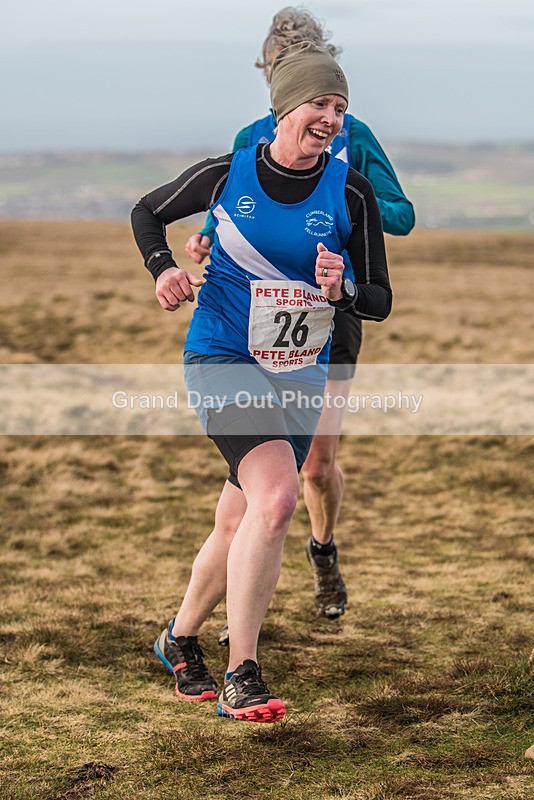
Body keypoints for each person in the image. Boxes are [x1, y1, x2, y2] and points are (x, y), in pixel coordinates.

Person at [131, 41, 391, 723]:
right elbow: (147, 213)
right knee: (276, 499)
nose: (331, 117)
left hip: (300, 373)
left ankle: (179, 637)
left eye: (340, 107)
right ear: (284, 107)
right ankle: (242, 672)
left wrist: (343, 289)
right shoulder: (228, 173)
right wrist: (164, 267)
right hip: (223, 354)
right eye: (319, 103)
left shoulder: (353, 192)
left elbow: (380, 299)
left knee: (240, 516)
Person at [185, 8, 414, 631]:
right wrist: (202, 243)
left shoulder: (352, 134)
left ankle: (323, 550)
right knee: (258, 481)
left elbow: (400, 213)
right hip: (254, 325)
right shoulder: (249, 135)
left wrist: (349, 193)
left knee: (314, 464)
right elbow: (230, 209)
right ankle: (221, 619)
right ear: (273, 80)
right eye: (278, 72)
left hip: (331, 317)